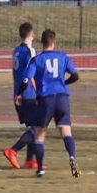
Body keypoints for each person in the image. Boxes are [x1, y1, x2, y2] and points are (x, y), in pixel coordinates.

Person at [14, 29, 80, 179]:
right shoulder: (63, 57)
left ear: (42, 43)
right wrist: (64, 83)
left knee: (39, 134)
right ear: (54, 42)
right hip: (63, 98)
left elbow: (26, 79)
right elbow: (76, 76)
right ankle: (73, 159)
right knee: (66, 132)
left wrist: (19, 93)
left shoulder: (37, 60)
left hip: (46, 99)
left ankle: (40, 170)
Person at [2, 22, 39, 170]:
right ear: (32, 35)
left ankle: (30, 161)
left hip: (18, 93)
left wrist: (17, 91)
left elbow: (14, 73)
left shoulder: (16, 51)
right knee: (38, 127)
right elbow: (30, 74)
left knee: (33, 126)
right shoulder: (30, 51)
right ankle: (13, 150)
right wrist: (37, 91)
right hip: (28, 93)